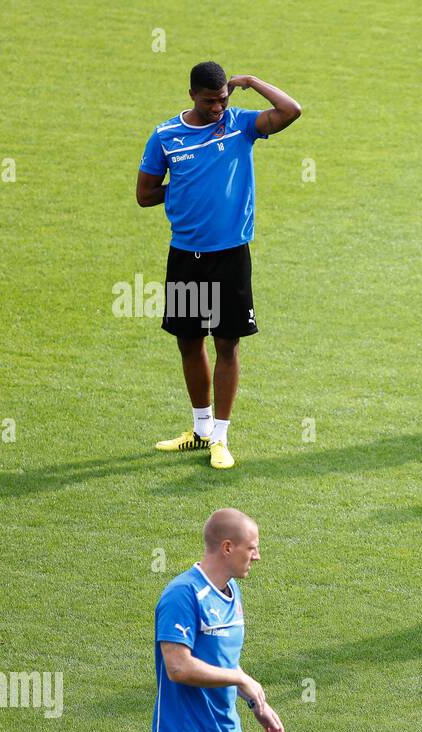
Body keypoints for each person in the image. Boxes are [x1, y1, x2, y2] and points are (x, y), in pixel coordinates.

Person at [137, 62, 302, 469]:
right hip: (186, 255)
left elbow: (291, 110)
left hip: (230, 255)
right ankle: (200, 430)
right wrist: (183, 186)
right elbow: (144, 194)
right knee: (189, 342)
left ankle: (222, 439)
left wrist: (250, 82)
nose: (217, 108)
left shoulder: (240, 125)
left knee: (227, 344)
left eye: (223, 99)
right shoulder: (165, 136)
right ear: (192, 94)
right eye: (210, 101)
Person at [151, 508, 284, 732]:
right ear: (227, 547)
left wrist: (256, 702)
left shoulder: (231, 592)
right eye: (251, 548)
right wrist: (241, 679)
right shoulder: (182, 595)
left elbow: (224, 664)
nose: (257, 555)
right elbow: (178, 666)